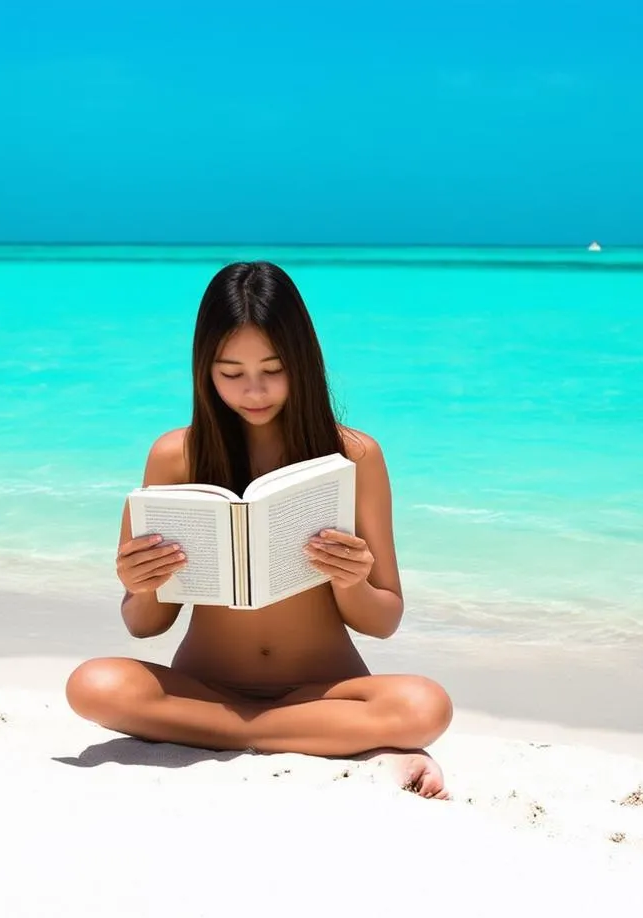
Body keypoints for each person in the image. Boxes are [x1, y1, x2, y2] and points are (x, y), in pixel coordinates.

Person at [66, 261, 454, 797]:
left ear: (303, 362)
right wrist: (142, 584)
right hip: (206, 687)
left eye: (273, 369)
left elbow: (384, 618)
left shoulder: (354, 455)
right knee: (93, 684)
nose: (254, 390)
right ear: (205, 370)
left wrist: (351, 580)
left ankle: (236, 735)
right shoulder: (175, 456)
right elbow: (144, 625)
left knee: (425, 705)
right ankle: (293, 737)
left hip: (325, 691)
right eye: (231, 372)